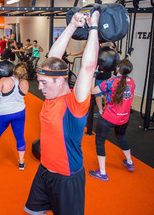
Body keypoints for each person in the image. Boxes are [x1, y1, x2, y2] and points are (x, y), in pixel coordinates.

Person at [24, 11, 99, 215]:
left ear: (60, 80)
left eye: (44, 83)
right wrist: (73, 26)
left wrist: (93, 28)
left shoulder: (75, 103)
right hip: (44, 171)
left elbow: (88, 67)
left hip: (67, 177)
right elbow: (53, 58)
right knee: (32, 210)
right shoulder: (51, 97)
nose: (39, 87)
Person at [89, 58, 135, 181]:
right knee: (121, 137)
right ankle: (129, 162)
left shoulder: (111, 82)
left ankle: (102, 173)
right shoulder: (132, 82)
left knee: (100, 142)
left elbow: (93, 91)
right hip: (124, 118)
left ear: (118, 68)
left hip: (109, 118)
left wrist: (94, 76)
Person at [93, 42, 116, 117]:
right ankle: (104, 111)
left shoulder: (100, 51)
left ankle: (102, 112)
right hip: (104, 76)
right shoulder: (111, 52)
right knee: (103, 94)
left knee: (99, 95)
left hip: (102, 76)